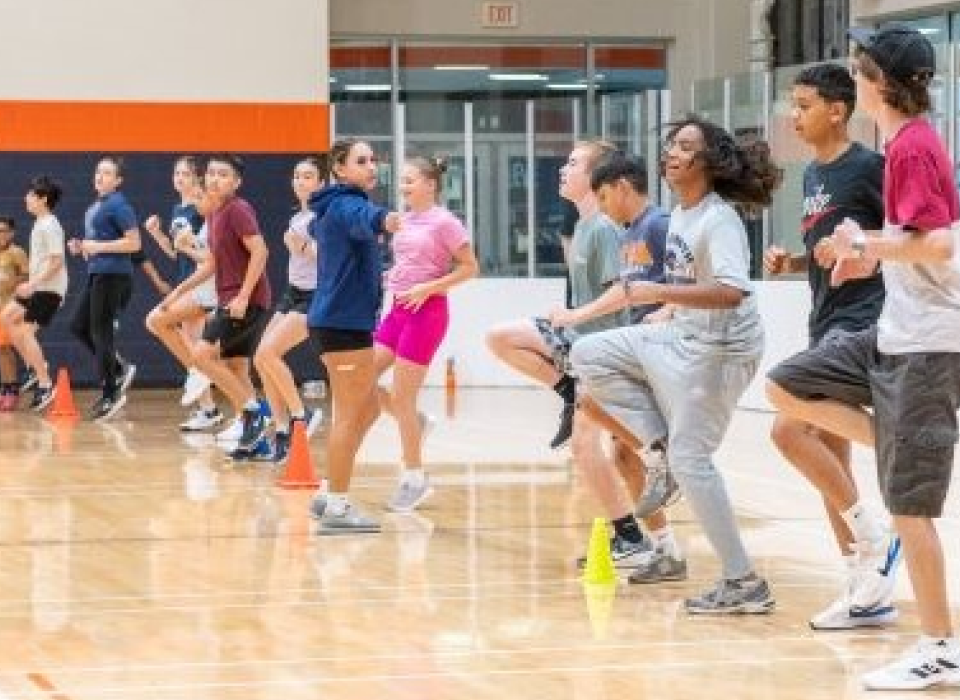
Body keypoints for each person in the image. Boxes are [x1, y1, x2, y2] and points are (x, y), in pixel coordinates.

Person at [767, 25, 960, 690]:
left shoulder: (908, 149)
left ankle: (940, 647)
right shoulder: (908, 143)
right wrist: (862, 245)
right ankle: (892, 445)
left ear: (879, 83)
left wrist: (863, 242)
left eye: (862, 66)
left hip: (929, 342)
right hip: (895, 335)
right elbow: (915, 237)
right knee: (787, 390)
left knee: (912, 508)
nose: (855, 70)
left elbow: (934, 245)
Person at [560, 115, 781, 613]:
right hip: (681, 335)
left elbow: (730, 291)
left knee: (694, 461)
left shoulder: (717, 219)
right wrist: (669, 308)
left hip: (722, 352)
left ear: (706, 161)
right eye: (670, 146)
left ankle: (744, 582)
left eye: (684, 146)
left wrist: (662, 292)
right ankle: (657, 450)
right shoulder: (682, 213)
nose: (671, 153)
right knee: (587, 355)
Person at [764, 64, 900, 631]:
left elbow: (909, 236)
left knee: (788, 427)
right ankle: (863, 584)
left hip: (862, 319)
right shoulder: (813, 176)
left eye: (803, 105)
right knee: (830, 461)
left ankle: (875, 539)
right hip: (824, 319)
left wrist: (864, 250)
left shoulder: (869, 167)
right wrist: (794, 262)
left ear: (837, 111)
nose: (793, 117)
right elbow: (831, 251)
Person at [551, 152, 682, 579]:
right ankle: (664, 548)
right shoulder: (628, 232)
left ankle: (663, 461)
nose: (602, 206)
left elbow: (690, 282)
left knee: (598, 413)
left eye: (605, 196)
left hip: (664, 353)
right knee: (625, 453)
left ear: (623, 187)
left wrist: (668, 312)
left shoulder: (660, 224)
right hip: (635, 350)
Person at [486, 140, 623, 450]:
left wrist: (574, 315)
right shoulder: (582, 226)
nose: (563, 169)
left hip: (602, 348)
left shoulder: (605, 228)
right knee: (499, 337)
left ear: (595, 177)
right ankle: (568, 389)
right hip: (577, 337)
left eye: (573, 164)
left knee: (609, 452)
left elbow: (622, 293)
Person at [306, 139, 401, 534]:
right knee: (347, 417)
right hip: (342, 325)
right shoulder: (347, 203)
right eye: (361, 161)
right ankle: (339, 507)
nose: (371, 166)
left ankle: (330, 492)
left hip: (347, 322)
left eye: (373, 160)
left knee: (369, 411)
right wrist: (387, 221)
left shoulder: (334, 205)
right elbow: (365, 217)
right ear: (340, 170)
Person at [373, 154, 478, 512]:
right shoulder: (402, 221)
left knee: (402, 397)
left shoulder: (445, 222)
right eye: (401, 180)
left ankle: (415, 479)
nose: (402, 186)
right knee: (359, 380)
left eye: (410, 180)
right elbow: (407, 261)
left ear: (431, 185)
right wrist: (393, 277)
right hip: (397, 309)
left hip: (427, 312)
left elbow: (469, 268)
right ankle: (415, 423)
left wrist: (429, 287)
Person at [160, 154, 272, 455]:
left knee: (201, 354)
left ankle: (252, 412)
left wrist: (244, 295)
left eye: (223, 175)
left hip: (244, 299)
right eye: (211, 174)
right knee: (236, 367)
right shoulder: (214, 214)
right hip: (229, 298)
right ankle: (257, 441)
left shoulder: (238, 209)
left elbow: (260, 252)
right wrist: (175, 293)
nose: (214, 179)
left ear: (236, 182)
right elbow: (209, 265)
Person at [253, 155, 330, 462]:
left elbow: (328, 257)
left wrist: (299, 246)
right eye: (297, 176)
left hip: (313, 295)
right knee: (260, 358)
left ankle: (302, 415)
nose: (300, 181)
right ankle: (283, 428)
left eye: (308, 176)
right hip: (292, 292)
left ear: (321, 182)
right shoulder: (297, 216)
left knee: (269, 354)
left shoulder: (322, 217)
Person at [145, 157, 223, 432]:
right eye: (176, 173)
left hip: (200, 284)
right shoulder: (178, 208)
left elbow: (204, 249)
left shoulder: (201, 209)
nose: (179, 178)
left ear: (197, 179)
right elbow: (173, 251)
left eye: (185, 174)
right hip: (185, 281)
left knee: (163, 325)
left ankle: (201, 378)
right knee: (190, 344)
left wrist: (189, 245)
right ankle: (208, 408)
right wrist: (156, 234)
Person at [67, 155, 140, 421]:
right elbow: (98, 242)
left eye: (107, 173)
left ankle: (111, 393)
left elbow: (134, 243)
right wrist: (83, 247)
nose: (100, 177)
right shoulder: (96, 206)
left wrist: (97, 247)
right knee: (77, 326)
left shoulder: (120, 205)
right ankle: (119, 367)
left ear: (118, 181)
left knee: (101, 332)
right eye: (98, 172)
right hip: (97, 273)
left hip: (114, 276)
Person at [0, 177, 68, 412]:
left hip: (48, 289)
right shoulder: (40, 223)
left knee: (26, 331)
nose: (26, 199)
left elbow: (57, 261)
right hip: (37, 287)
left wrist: (32, 283)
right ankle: (36, 365)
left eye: (30, 195)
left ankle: (46, 383)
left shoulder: (50, 224)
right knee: (7, 318)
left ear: (43, 199)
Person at [0, 216, 29, 410]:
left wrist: (13, 282)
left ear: (12, 232)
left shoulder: (16, 252)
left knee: (6, 350)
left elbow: (28, 276)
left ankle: (11, 389)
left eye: (4, 230)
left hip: (10, 309)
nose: (1, 234)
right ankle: (5, 388)